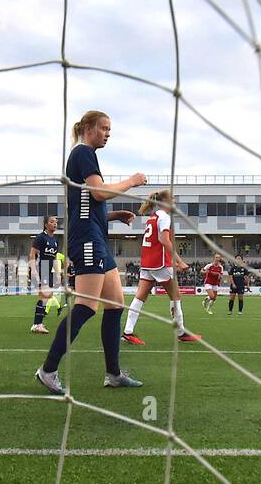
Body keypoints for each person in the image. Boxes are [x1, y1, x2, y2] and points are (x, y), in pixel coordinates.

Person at [34, 110, 145, 394]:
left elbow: (87, 204)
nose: (108, 133)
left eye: (110, 129)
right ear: (87, 128)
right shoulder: (83, 152)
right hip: (87, 240)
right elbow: (98, 193)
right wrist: (131, 181)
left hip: (94, 237)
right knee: (85, 307)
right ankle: (48, 370)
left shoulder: (84, 156)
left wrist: (113, 215)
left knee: (116, 304)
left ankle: (114, 374)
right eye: (104, 128)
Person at [122, 190, 199, 344]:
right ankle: (181, 332)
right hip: (160, 263)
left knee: (140, 297)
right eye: (172, 199)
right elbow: (164, 240)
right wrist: (179, 261)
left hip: (147, 262)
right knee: (176, 296)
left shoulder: (153, 217)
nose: (174, 201)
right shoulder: (164, 217)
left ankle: (127, 332)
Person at [28, 215, 59, 334]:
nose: (55, 224)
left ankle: (37, 324)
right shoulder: (41, 238)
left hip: (49, 269)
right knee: (44, 296)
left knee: (46, 297)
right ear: (46, 224)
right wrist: (34, 270)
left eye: (56, 222)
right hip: (42, 268)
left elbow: (55, 258)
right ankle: (38, 324)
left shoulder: (55, 241)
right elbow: (32, 254)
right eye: (52, 222)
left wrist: (57, 273)